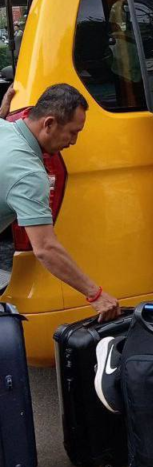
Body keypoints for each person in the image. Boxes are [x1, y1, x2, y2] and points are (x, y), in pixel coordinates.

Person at [0, 83, 120, 322]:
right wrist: (95, 294)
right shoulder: (29, 174)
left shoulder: (4, 128)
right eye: (73, 132)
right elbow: (45, 248)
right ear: (49, 123)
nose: (74, 141)